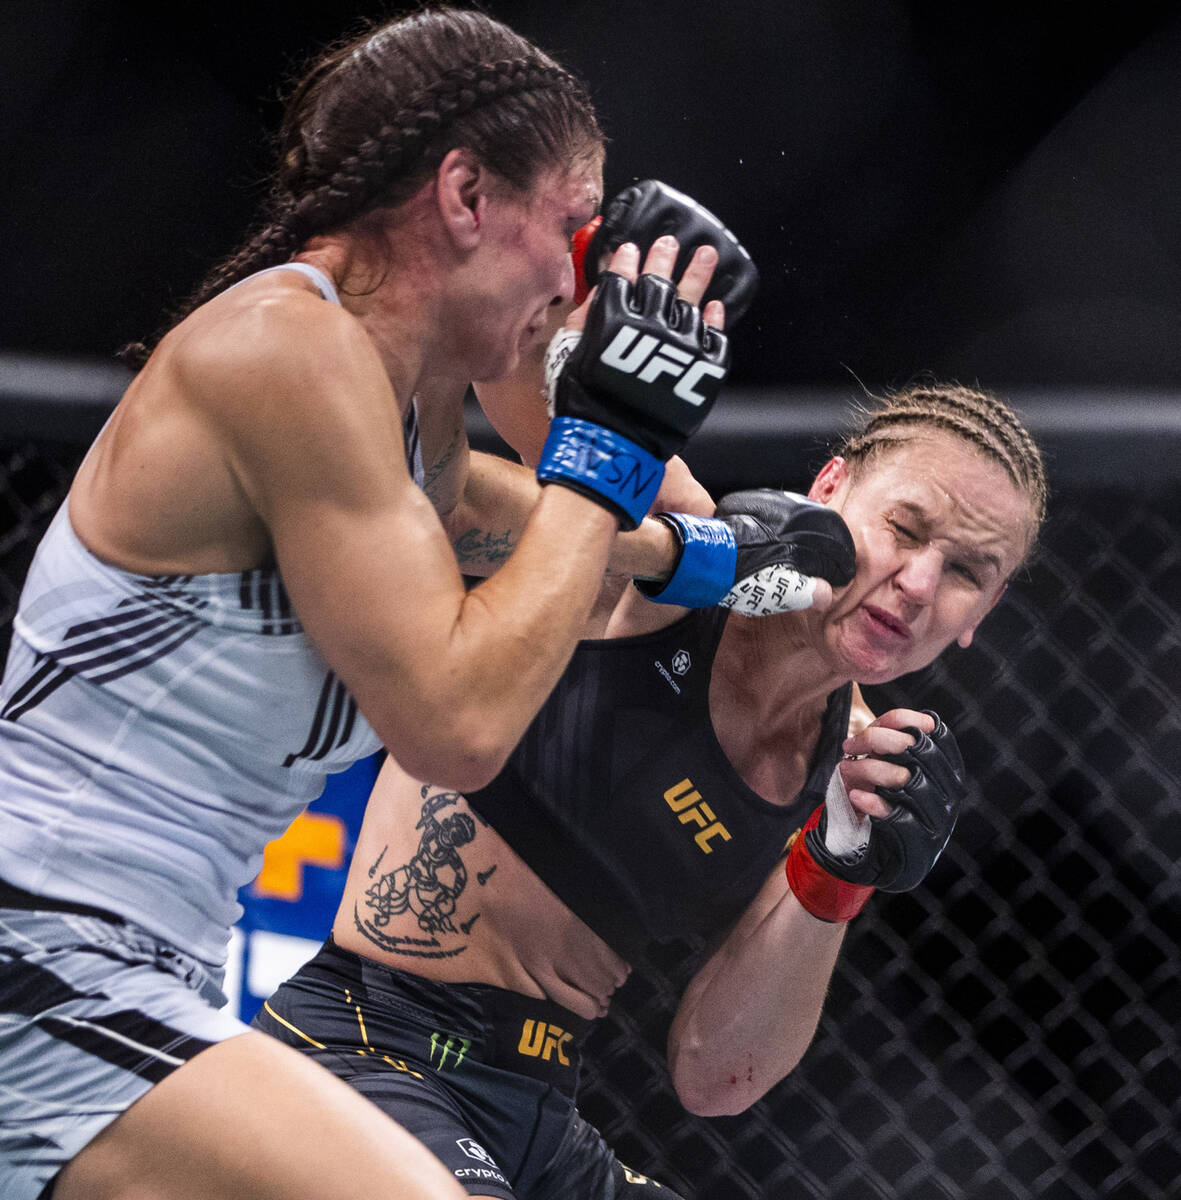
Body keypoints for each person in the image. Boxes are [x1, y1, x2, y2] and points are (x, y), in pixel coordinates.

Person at [0, 8, 759, 1200]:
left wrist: (694, 550)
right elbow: (456, 725)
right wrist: (614, 441)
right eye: (568, 232)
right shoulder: (282, 354)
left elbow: (518, 518)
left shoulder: (411, 425)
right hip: (42, 947)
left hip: (144, 967)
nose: (576, 281)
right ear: (463, 196)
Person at [254, 379, 1048, 1199]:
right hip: (368, 1045)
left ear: (978, 615)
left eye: (964, 572)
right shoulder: (677, 549)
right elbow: (445, 492)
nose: (917, 583)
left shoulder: (854, 774)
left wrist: (838, 872)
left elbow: (718, 1076)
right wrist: (671, 551)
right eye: (903, 529)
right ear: (829, 490)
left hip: (539, 1111)